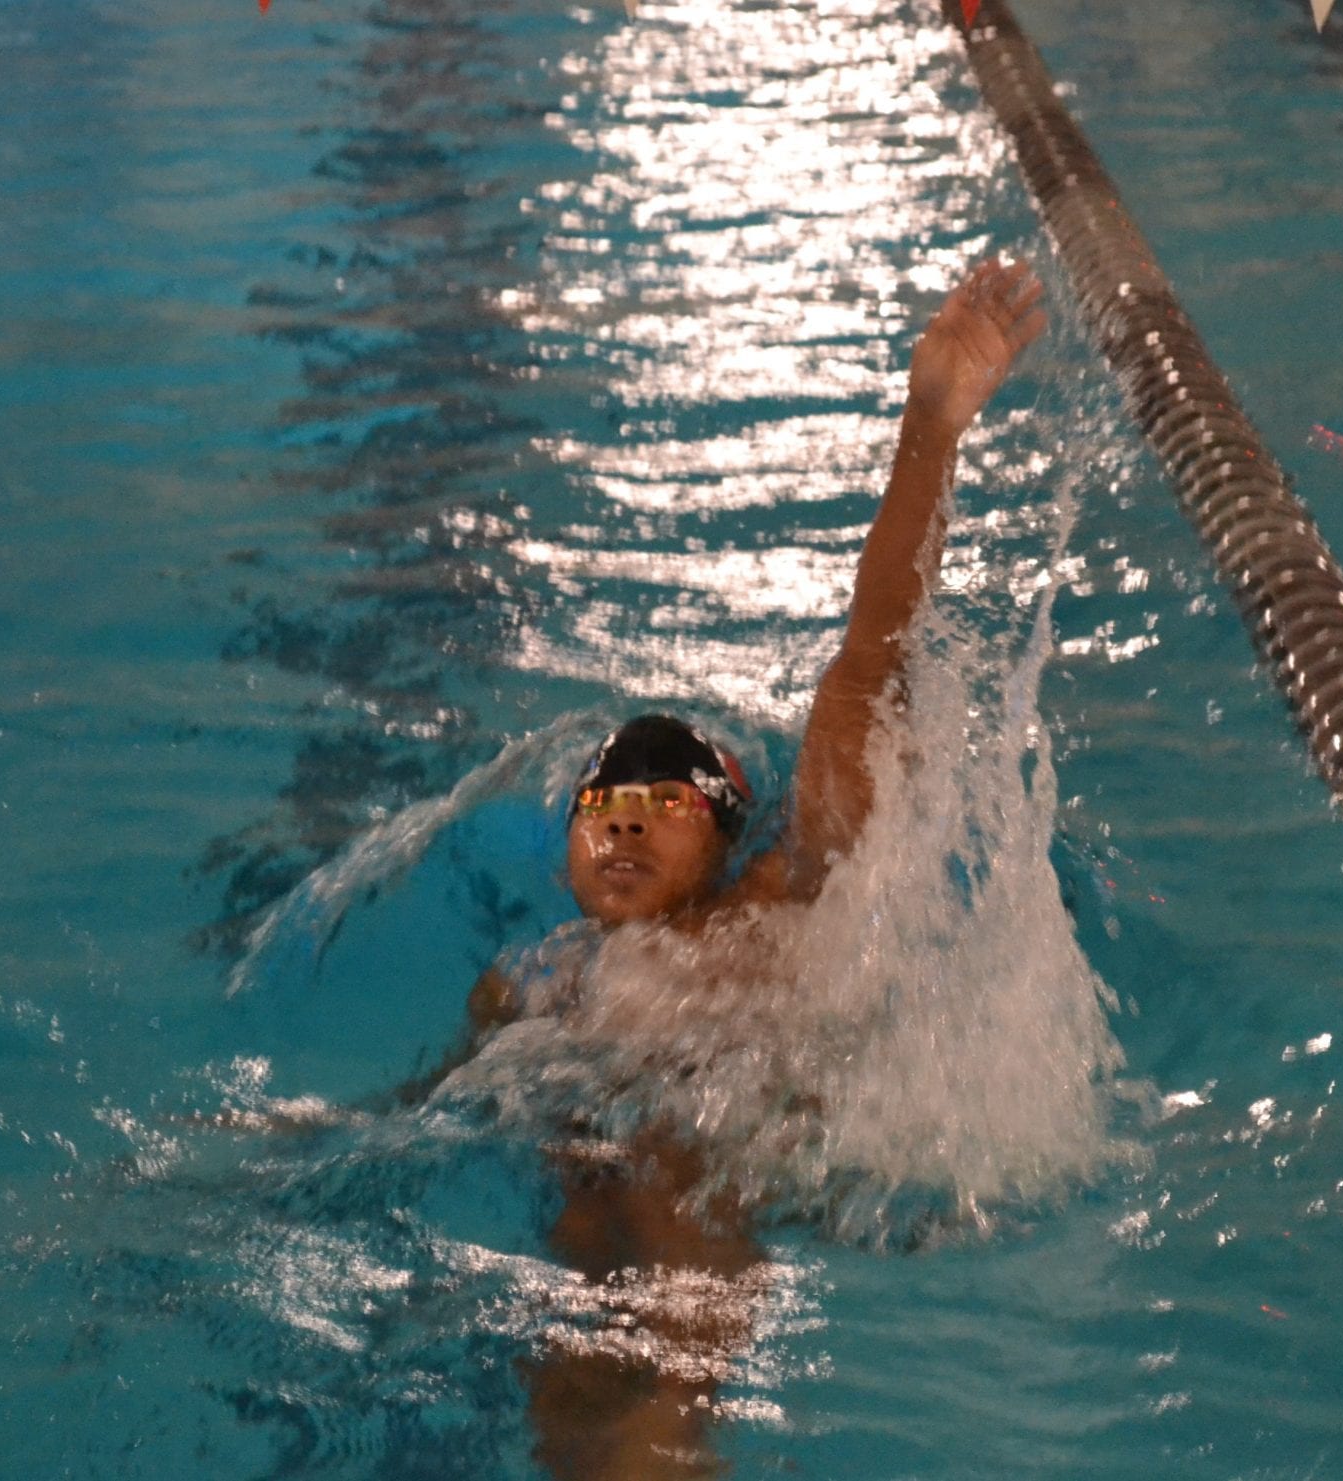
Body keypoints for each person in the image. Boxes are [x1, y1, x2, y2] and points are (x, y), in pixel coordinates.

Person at [465, 256, 1048, 1480]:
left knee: (666, 1228)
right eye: (602, 809)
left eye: (664, 805)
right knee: (566, 1346)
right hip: (617, 1157)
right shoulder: (532, 979)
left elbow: (871, 651)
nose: (624, 829)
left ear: (726, 833)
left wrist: (930, 426)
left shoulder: (781, 892)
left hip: (752, 1160)